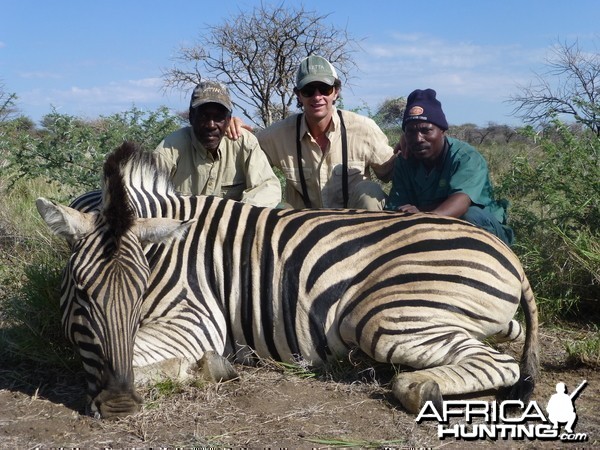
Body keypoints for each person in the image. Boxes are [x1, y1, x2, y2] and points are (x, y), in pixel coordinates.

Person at [256, 55, 396, 210]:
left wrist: (412, 143)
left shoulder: (364, 129)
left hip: (355, 227)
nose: (317, 97)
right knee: (278, 208)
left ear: (336, 92)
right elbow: (245, 151)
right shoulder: (278, 135)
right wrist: (232, 125)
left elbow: (393, 172)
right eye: (308, 91)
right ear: (298, 95)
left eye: (324, 89)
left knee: (370, 191)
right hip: (301, 229)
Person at [385, 88, 514, 246]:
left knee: (470, 215)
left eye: (426, 130)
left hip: (481, 228)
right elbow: (397, 206)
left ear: (442, 131)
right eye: (410, 132)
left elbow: (460, 203)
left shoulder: (466, 157)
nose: (418, 138)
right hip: (424, 224)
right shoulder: (404, 160)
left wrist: (422, 217)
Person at [154, 80, 282, 208]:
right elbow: (146, 192)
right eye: (204, 116)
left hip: (232, 224)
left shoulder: (244, 142)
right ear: (191, 117)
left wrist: (237, 215)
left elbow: (267, 186)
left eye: (219, 117)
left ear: (229, 119)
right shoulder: (170, 147)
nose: (211, 125)